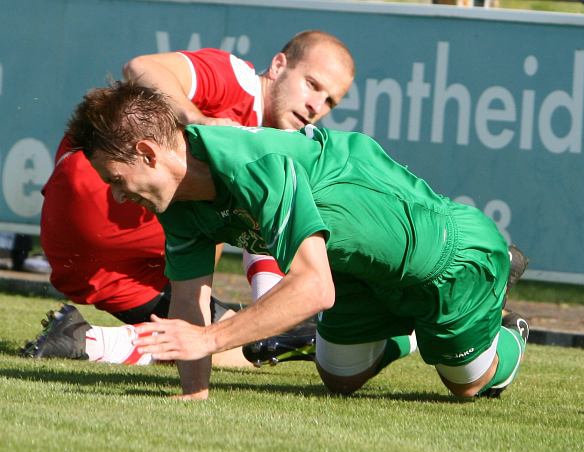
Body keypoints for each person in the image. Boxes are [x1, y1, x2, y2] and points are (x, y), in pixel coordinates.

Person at [67, 81, 529, 400]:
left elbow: (312, 288)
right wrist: (194, 395)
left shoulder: (256, 164)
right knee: (338, 378)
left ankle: (508, 322)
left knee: (468, 385)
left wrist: (209, 339)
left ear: (147, 153)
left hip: (446, 259)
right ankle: (409, 329)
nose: (118, 195)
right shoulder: (178, 205)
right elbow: (189, 303)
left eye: (116, 178)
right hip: (356, 275)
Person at [21, 31, 355, 366]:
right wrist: (200, 121)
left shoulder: (272, 153)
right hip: (100, 185)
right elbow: (140, 68)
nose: (316, 107)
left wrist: (268, 311)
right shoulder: (239, 81)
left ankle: (89, 340)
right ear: (279, 65)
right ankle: (290, 337)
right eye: (312, 84)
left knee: (221, 341)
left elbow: (255, 233)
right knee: (223, 313)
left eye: (329, 102)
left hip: (90, 261)